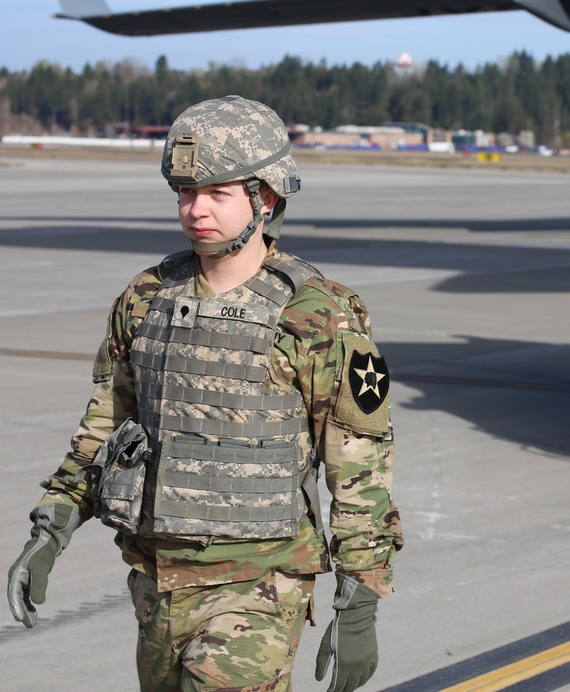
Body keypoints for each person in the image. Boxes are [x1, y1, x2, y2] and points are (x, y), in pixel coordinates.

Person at [7, 95, 403, 692]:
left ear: (265, 199)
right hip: (155, 580)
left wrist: (361, 595)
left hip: (259, 585)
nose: (196, 211)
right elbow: (106, 422)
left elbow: (360, 464)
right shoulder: (145, 297)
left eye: (218, 193)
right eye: (186, 194)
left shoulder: (317, 315)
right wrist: (55, 522)